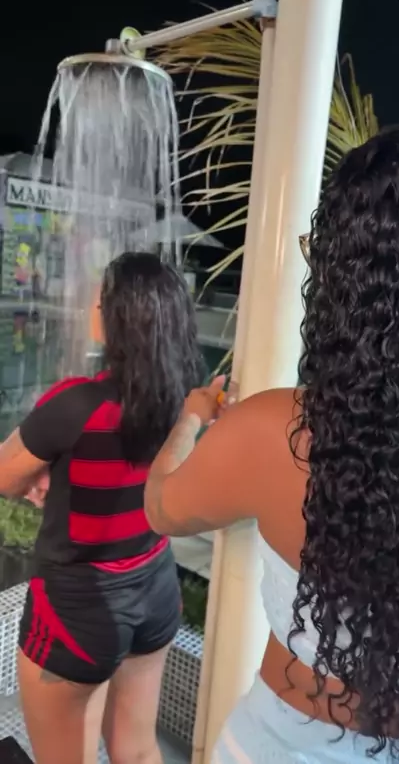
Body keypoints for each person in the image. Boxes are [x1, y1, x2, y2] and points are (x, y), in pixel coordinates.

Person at [145, 119, 399, 762]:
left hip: (282, 745)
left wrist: (190, 419)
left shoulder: (278, 431)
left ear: (350, 279)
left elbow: (162, 507)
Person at [0, 252, 204, 764]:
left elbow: (3, 475)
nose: (92, 309)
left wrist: (36, 475)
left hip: (78, 610)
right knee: (138, 752)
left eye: (99, 303)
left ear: (120, 320)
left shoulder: (76, 404)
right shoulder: (186, 400)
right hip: (155, 589)